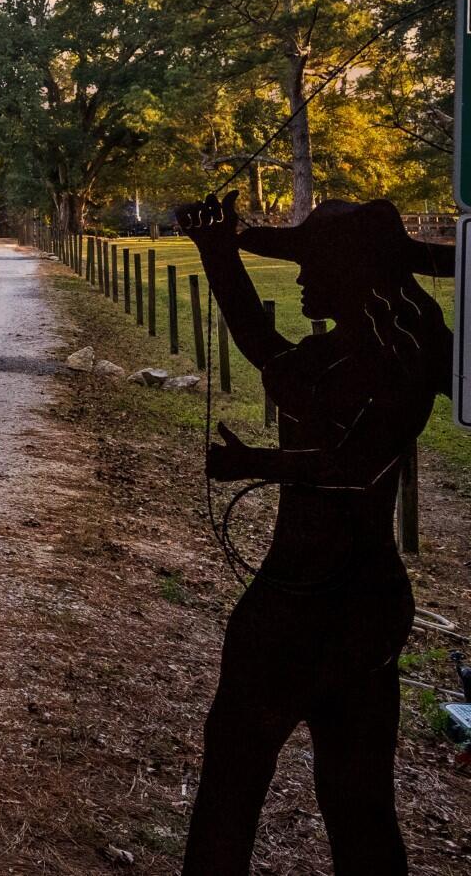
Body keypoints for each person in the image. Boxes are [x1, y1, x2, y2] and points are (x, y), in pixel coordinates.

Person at [174, 191, 449, 875]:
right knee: (358, 800)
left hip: (302, 600)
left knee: (233, 784)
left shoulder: (366, 362)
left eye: (312, 263)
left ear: (352, 270)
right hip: (370, 604)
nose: (299, 278)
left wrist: (252, 462)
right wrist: (221, 256)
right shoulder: (396, 353)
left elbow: (353, 459)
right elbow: (269, 353)